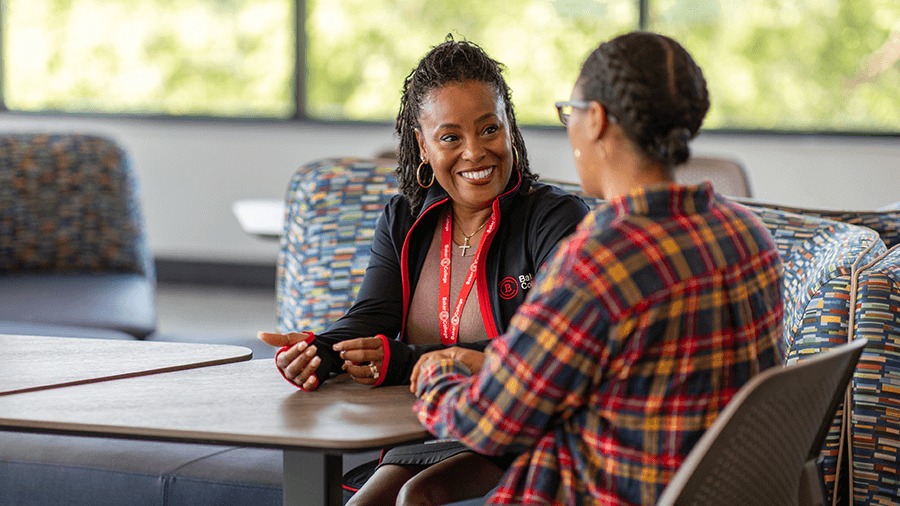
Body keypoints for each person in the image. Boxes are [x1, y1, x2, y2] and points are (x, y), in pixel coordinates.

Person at [412, 31, 784, 506]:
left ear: (597, 121)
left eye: (571, 112)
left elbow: (486, 424)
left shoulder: (599, 262)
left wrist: (434, 371)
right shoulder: (747, 234)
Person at [259, 38, 589, 506]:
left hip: (519, 427)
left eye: (489, 129)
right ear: (423, 145)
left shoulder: (555, 218)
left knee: (418, 495)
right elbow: (370, 317)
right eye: (451, 137)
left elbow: (548, 348)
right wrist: (319, 351)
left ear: (510, 128)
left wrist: (405, 361)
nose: (475, 152)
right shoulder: (402, 219)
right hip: (431, 425)